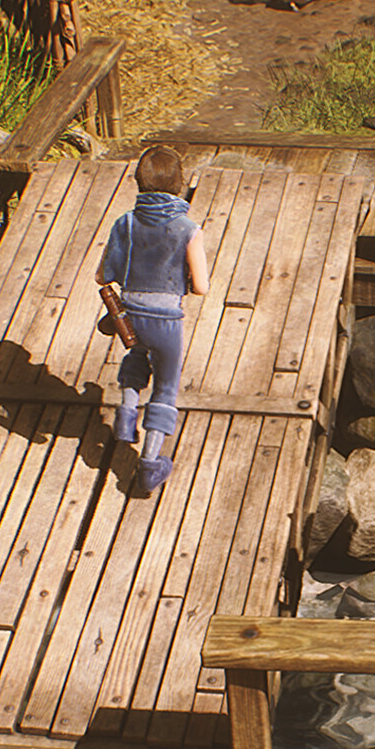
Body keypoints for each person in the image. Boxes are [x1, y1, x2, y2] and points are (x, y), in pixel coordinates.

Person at [96, 145, 210, 494]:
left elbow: (102, 275)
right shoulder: (188, 229)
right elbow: (202, 287)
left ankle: (126, 415)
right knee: (165, 386)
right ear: (180, 183)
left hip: (130, 315)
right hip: (165, 320)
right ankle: (149, 464)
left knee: (136, 355)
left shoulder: (125, 223)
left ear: (138, 181)